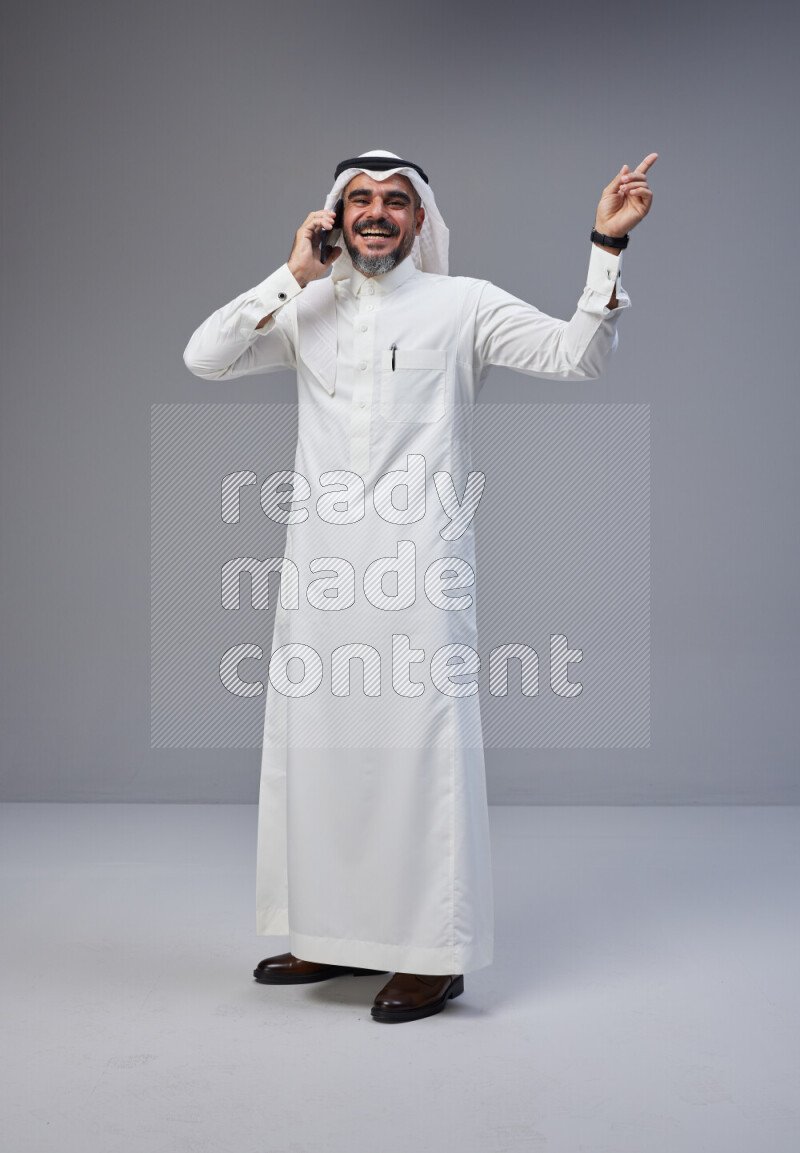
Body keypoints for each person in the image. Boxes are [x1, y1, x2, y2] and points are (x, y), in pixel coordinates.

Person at [183, 148, 657, 1024]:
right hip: (319, 574)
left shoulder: (461, 304)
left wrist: (605, 246)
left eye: (395, 202)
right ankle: (328, 933)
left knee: (420, 759)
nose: (375, 213)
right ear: (333, 215)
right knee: (318, 752)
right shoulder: (306, 308)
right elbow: (204, 358)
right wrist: (290, 274)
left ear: (420, 220)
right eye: (358, 199)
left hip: (419, 573)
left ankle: (433, 956)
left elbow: (575, 356)